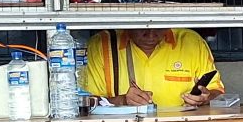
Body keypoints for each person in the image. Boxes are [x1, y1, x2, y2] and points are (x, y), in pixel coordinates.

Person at [83, 28, 224, 108]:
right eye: (142, 27)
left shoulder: (191, 42)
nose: (150, 34)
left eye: (158, 26)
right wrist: (122, 101)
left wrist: (206, 97)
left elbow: (218, 92)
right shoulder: (103, 44)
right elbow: (85, 101)